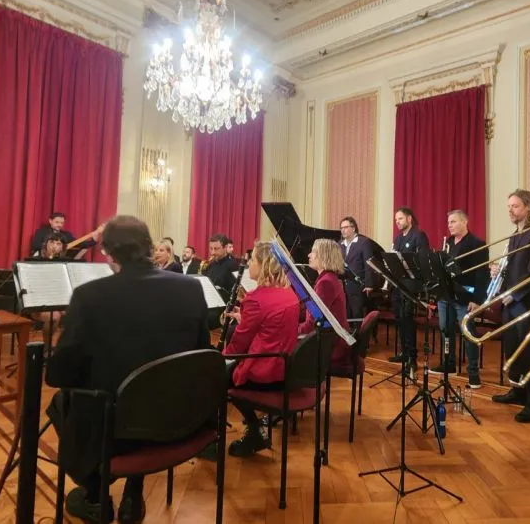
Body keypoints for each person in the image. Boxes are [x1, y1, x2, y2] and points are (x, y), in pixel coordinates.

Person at [46, 215, 210, 522]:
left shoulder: (89, 296)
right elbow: (200, 353)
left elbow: (59, 375)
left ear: (107, 252)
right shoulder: (190, 288)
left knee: (61, 403)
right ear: (149, 247)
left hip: (116, 427)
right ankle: (134, 491)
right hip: (178, 414)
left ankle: (96, 494)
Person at [221, 242, 300, 457]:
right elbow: (271, 326)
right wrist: (245, 317)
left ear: (264, 265)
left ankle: (254, 431)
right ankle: (255, 429)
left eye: (252, 260)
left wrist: (219, 360)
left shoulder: (255, 299)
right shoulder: (289, 294)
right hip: (285, 368)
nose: (248, 264)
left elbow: (238, 345)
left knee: (218, 379)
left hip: (264, 372)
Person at [490, 190, 530, 423]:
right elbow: (512, 269)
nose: (510, 211)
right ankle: (518, 391)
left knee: (527, 353)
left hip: (528, 302)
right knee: (513, 350)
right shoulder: (515, 235)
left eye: (514, 206)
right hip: (511, 302)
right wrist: (498, 272)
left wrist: (514, 294)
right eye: (508, 207)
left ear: (528, 207)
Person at [436, 210, 489, 388]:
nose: (449, 225)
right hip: (446, 295)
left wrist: (477, 299)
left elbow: (482, 274)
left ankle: (473, 373)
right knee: (446, 330)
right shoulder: (449, 242)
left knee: (468, 334)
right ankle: (448, 364)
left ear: (465, 222)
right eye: (448, 222)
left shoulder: (477, 243)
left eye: (453, 221)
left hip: (466, 297)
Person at [301, 239, 352, 367]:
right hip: (330, 338)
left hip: (331, 345)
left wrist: (291, 330)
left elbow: (312, 322)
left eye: (313, 252)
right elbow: (310, 310)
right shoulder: (328, 278)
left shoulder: (326, 283)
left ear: (323, 255)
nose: (309, 255)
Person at [388, 207, 429, 368]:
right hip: (398, 285)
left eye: (400, 219)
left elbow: (423, 259)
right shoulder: (397, 239)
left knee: (407, 319)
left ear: (409, 219)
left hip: (411, 285)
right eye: (396, 219)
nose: (397, 222)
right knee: (399, 319)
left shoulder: (418, 236)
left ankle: (412, 357)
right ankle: (404, 353)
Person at [338, 216, 380, 325]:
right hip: (343, 286)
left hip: (358, 286)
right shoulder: (340, 244)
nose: (343, 230)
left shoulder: (363, 242)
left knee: (356, 315)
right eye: (341, 228)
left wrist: (369, 284)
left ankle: (358, 340)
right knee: (345, 315)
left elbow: (369, 264)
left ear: (354, 228)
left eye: (346, 227)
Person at [28, 212, 102, 257]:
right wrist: (51, 247)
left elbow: (80, 244)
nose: (60, 225)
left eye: (62, 223)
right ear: (50, 221)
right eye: (57, 222)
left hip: (59, 262)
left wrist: (94, 240)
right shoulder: (41, 231)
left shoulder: (66, 234)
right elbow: (35, 245)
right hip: (42, 260)